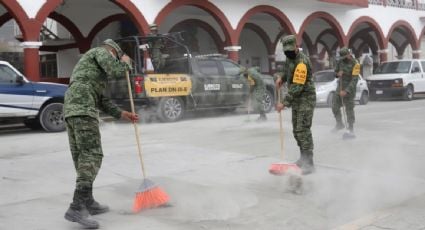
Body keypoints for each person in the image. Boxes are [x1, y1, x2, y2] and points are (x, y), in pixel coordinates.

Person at [63, 39, 139, 229]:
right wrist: (126, 62)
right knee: (92, 155)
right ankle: (76, 206)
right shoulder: (102, 51)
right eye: (117, 56)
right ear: (114, 51)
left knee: (82, 158)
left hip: (73, 110)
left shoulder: (90, 72)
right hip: (83, 109)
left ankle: (88, 201)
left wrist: (121, 113)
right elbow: (115, 69)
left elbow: (101, 99)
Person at [275, 35, 316, 175]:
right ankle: (303, 158)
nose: (288, 53)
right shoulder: (290, 58)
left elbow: (297, 87)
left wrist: (284, 103)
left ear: (296, 47)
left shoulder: (302, 63)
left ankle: (309, 163)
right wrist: (281, 77)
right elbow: (287, 71)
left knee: (303, 129)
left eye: (290, 50)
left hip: (306, 98)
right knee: (296, 130)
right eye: (285, 51)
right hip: (297, 100)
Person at [331, 47, 360, 139]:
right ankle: (339, 124)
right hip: (340, 87)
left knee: (349, 110)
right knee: (334, 106)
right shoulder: (340, 62)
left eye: (344, 57)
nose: (343, 59)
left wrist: (346, 91)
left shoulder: (356, 64)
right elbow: (335, 72)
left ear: (349, 54)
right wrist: (337, 74)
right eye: (342, 58)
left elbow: (355, 80)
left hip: (349, 89)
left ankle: (351, 129)